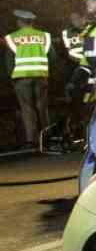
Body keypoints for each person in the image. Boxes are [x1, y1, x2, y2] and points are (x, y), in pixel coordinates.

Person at [4, 10, 56, 149]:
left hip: (21, 78)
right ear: (32, 22)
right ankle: (47, 138)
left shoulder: (12, 37)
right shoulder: (44, 36)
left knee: (27, 109)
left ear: (20, 22)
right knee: (42, 107)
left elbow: (9, 61)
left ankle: (31, 141)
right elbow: (53, 57)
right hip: (41, 75)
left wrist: (11, 76)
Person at [61, 12, 90, 144]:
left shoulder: (91, 29)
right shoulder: (67, 33)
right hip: (74, 68)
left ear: (83, 18)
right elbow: (67, 51)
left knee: (87, 103)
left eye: (77, 18)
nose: (74, 21)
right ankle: (76, 131)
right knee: (74, 102)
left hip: (89, 69)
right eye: (72, 19)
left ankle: (85, 133)